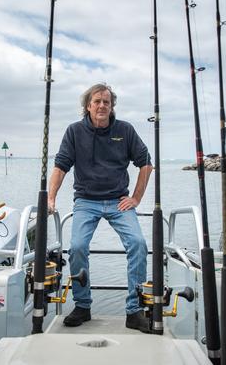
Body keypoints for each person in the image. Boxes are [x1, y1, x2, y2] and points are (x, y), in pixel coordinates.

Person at [48, 83, 153, 333]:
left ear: (112, 106)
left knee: (138, 244)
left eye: (106, 101)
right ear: (88, 105)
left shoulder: (125, 130)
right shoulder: (74, 131)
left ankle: (134, 311)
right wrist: (50, 198)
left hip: (119, 201)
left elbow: (146, 163)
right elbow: (61, 166)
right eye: (97, 101)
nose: (102, 106)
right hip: (86, 201)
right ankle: (83, 306)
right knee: (77, 247)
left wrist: (136, 198)